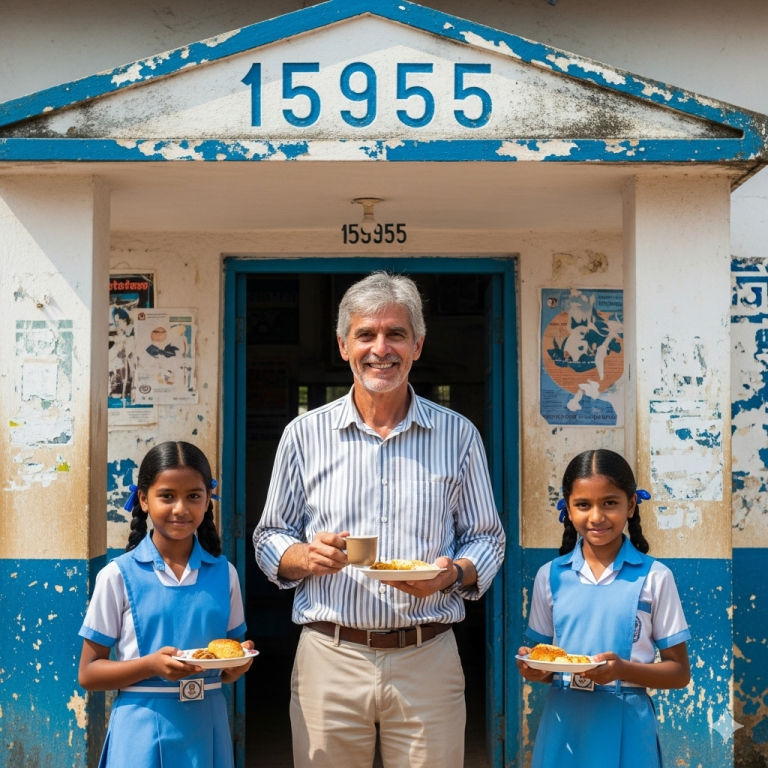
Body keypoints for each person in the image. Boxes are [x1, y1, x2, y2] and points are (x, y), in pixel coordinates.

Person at [253, 272, 505, 768]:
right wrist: (301, 556)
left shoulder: (458, 435)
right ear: (344, 344)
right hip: (331, 655)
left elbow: (487, 539)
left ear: (418, 344)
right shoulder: (304, 435)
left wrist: (452, 574)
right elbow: (268, 536)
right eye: (366, 334)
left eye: (396, 334)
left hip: (427, 656)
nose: (380, 348)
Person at [78, 441, 254, 768]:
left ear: (207, 501)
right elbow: (88, 673)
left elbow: (227, 669)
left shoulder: (224, 574)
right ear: (144, 499)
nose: (181, 509)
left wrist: (237, 667)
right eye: (167, 496)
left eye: (193, 496)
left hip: (207, 725)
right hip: (140, 727)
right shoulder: (117, 575)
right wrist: (151, 666)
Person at [517, 449, 691, 768]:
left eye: (609, 502)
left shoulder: (655, 577)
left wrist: (622, 670)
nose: (596, 517)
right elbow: (544, 667)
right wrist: (535, 670)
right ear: (568, 509)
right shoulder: (550, 577)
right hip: (564, 720)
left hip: (628, 722)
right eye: (583, 505)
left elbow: (679, 673)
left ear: (631, 505)